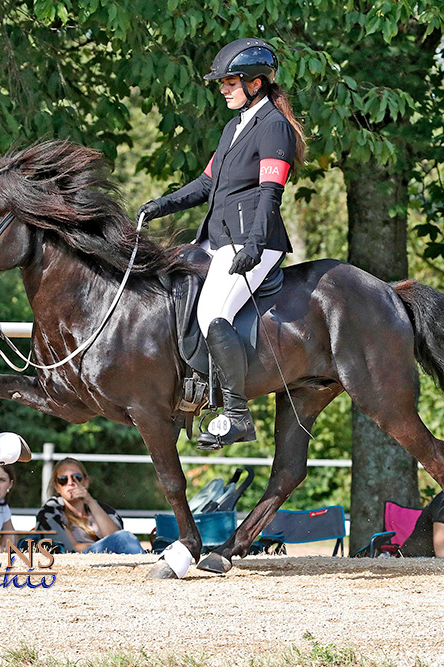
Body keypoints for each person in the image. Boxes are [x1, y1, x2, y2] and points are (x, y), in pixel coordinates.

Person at [137, 37, 306, 450]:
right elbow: (207, 183)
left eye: (230, 82)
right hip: (217, 238)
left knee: (214, 312)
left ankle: (237, 415)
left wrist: (255, 241)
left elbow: (270, 192)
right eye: (223, 83)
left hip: (254, 242)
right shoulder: (234, 126)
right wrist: (161, 205)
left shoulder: (274, 128)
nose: (223, 89)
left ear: (256, 83)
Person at [34, 458, 144, 554]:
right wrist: (103, 545)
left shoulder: (100, 509)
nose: (71, 483)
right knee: (123, 537)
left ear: (86, 482)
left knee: (124, 537)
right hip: (81, 561)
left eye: (77, 477)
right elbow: (70, 548)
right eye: (63, 480)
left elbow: (115, 536)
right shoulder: (52, 512)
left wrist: (90, 501)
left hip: (105, 557)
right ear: (57, 487)